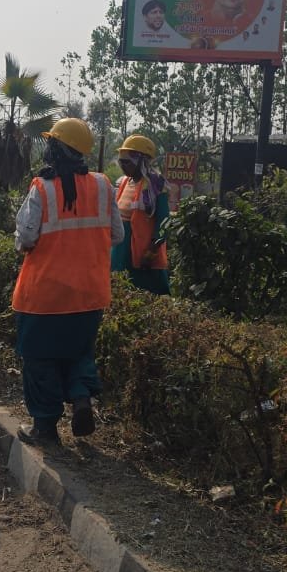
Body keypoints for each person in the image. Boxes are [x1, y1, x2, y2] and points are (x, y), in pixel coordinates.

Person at [12, 118, 123, 448]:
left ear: (57, 149)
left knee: (39, 358)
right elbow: (117, 235)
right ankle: (81, 397)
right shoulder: (104, 185)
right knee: (79, 352)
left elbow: (26, 238)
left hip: (44, 296)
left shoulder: (42, 188)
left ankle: (45, 428)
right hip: (89, 294)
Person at [111, 134, 170, 295]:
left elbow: (164, 222)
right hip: (120, 249)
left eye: (127, 162)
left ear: (141, 161)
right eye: (121, 162)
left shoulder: (155, 185)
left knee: (148, 292)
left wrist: (152, 251)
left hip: (143, 252)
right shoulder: (124, 182)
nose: (123, 166)